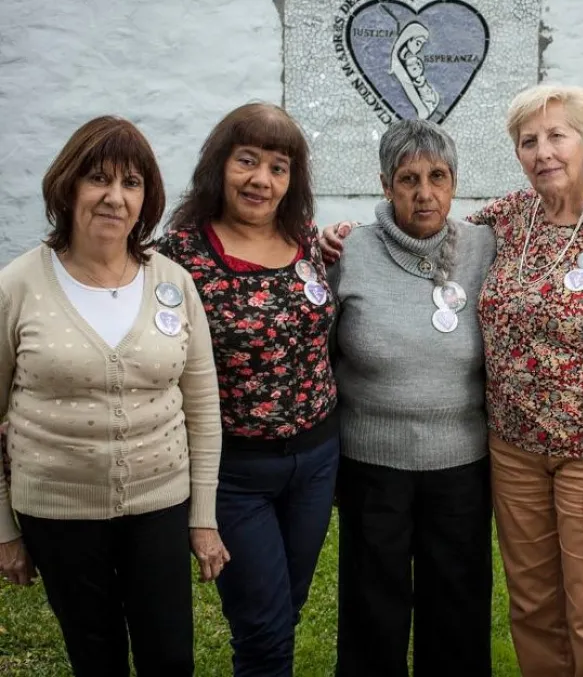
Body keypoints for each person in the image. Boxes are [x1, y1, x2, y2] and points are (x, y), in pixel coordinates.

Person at [320, 85, 583, 676]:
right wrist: (341, 237)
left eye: (557, 136)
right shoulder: (505, 221)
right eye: (530, 141)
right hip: (511, 450)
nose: (544, 151)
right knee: (530, 607)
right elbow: (421, 235)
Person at [0, 116, 225, 677]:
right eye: (98, 178)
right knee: (94, 655)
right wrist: (3, 529)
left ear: (146, 198)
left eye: (132, 183)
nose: (114, 197)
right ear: (67, 186)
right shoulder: (17, 285)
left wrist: (202, 516)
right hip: (57, 510)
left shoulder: (173, 283)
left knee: (170, 656)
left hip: (160, 505)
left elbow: (202, 408)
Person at [156, 103, 339, 677]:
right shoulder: (179, 256)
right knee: (261, 628)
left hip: (315, 459)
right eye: (248, 161)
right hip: (234, 473)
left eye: (279, 167)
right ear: (220, 165)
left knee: (288, 608)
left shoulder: (305, 238)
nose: (262, 179)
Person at [330, 119, 495, 677]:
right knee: (372, 607)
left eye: (438, 177)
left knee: (458, 606)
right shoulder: (345, 251)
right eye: (408, 179)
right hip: (372, 462)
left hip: (461, 463)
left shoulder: (483, 246)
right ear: (385, 184)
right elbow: (322, 352)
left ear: (455, 182)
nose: (425, 193)